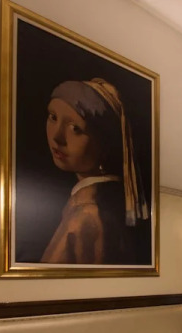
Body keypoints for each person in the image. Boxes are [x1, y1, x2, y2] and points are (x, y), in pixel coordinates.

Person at [40, 78, 148, 264]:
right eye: (53, 117)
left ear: (104, 144)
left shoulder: (86, 214)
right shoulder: (111, 199)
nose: (57, 137)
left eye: (75, 129)